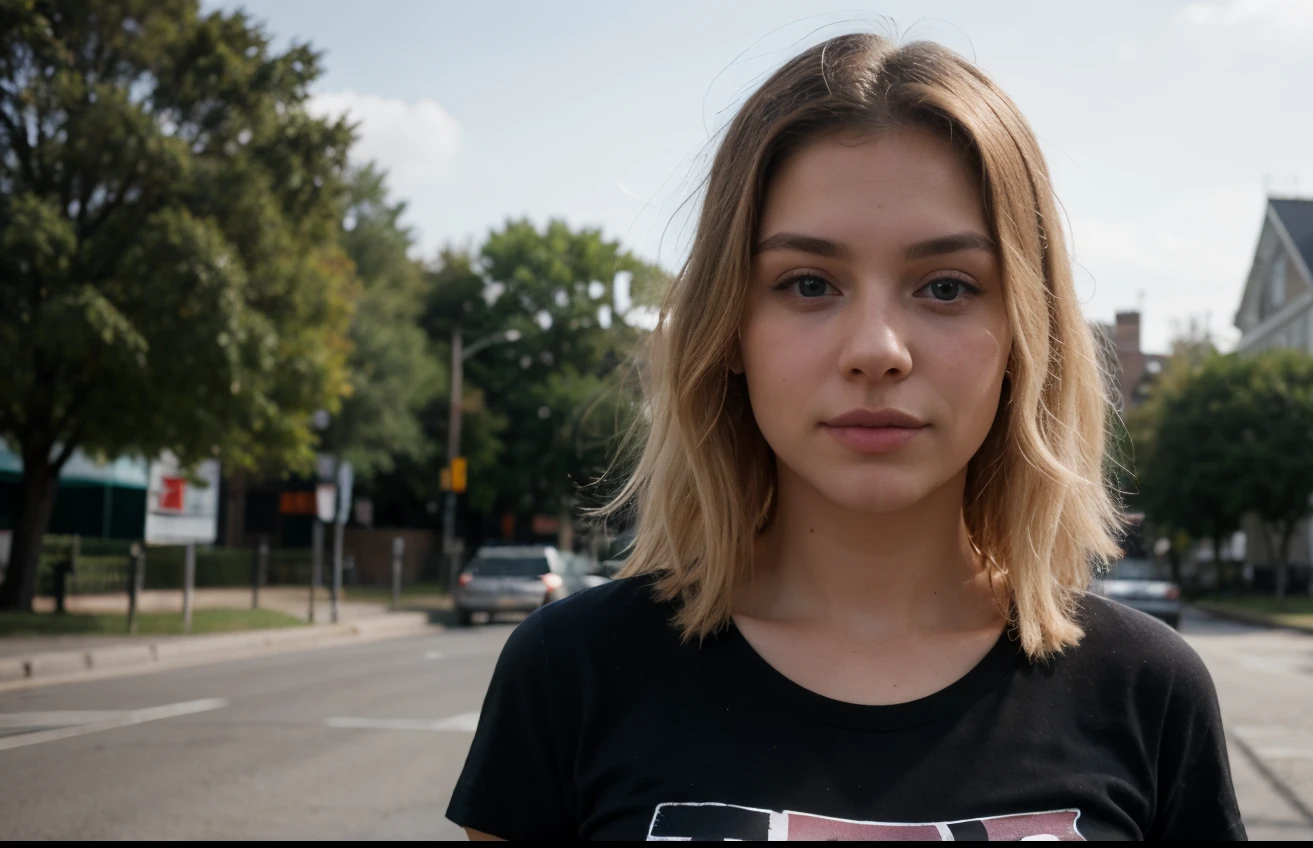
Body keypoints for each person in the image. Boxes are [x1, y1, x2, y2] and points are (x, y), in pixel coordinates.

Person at [448, 33, 1245, 841]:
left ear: (1024, 334)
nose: (877, 350)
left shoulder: (1149, 693)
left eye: (945, 286)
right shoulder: (571, 675)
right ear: (729, 328)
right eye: (807, 283)